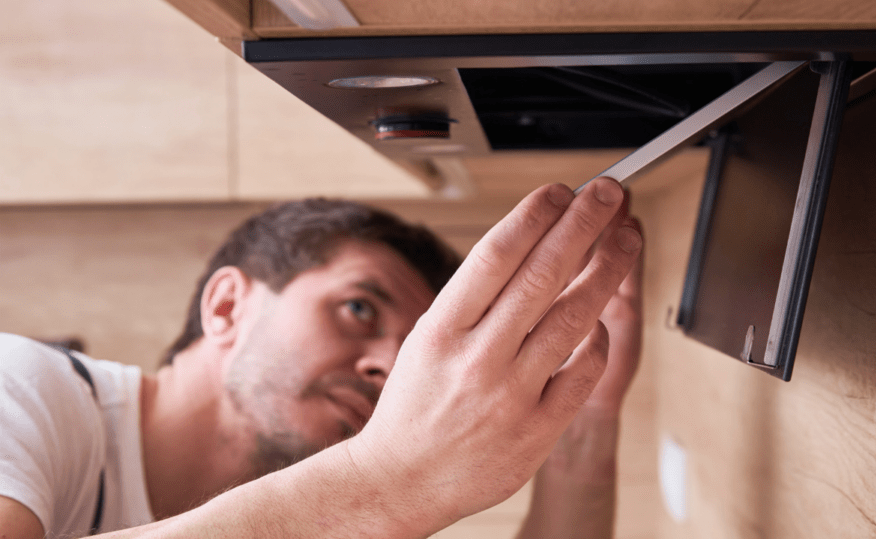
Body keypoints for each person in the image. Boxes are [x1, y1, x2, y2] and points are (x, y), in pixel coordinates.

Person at [0, 178, 643, 538]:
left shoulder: (315, 512)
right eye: (360, 309)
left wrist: (580, 421)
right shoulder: (24, 387)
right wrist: (385, 483)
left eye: (413, 351)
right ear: (226, 307)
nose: (390, 368)